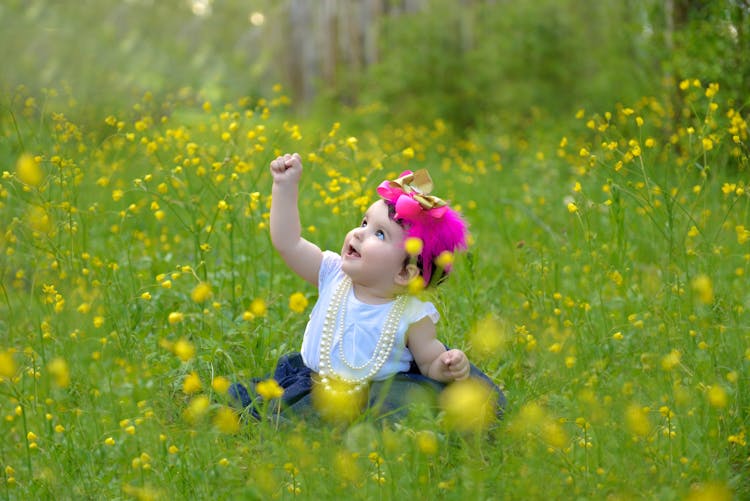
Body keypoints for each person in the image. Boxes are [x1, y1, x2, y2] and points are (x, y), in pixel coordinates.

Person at [230, 153, 504, 422]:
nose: (359, 233)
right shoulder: (332, 273)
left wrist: (447, 367)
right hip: (318, 386)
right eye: (364, 223)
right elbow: (288, 242)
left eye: (379, 233)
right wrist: (284, 187)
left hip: (379, 396)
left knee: (393, 417)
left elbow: (429, 363)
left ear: (403, 273)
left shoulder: (412, 314)